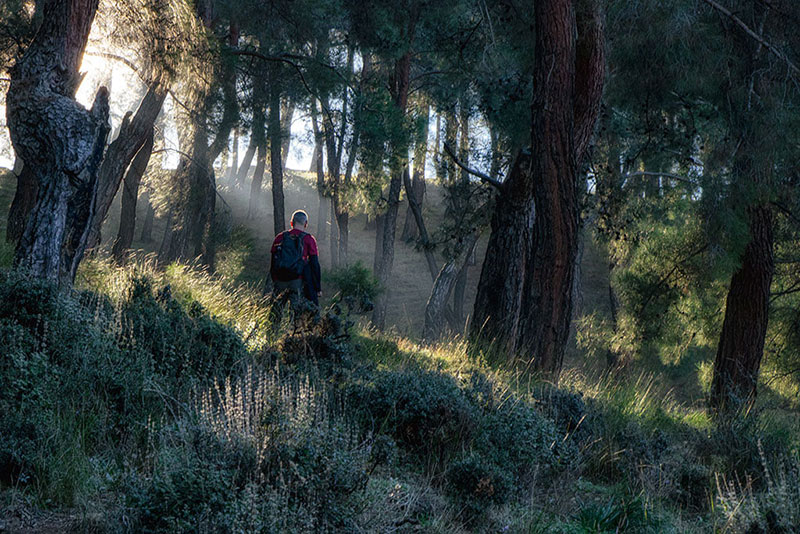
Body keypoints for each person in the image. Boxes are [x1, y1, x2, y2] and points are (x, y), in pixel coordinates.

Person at [270, 210, 322, 307]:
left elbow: (273, 262)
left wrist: (275, 280)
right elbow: (315, 264)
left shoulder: (280, 238)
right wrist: (317, 288)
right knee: (297, 314)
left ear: (291, 223)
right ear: (305, 224)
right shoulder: (309, 239)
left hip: (280, 280)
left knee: (276, 312)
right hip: (298, 281)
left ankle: (274, 322)